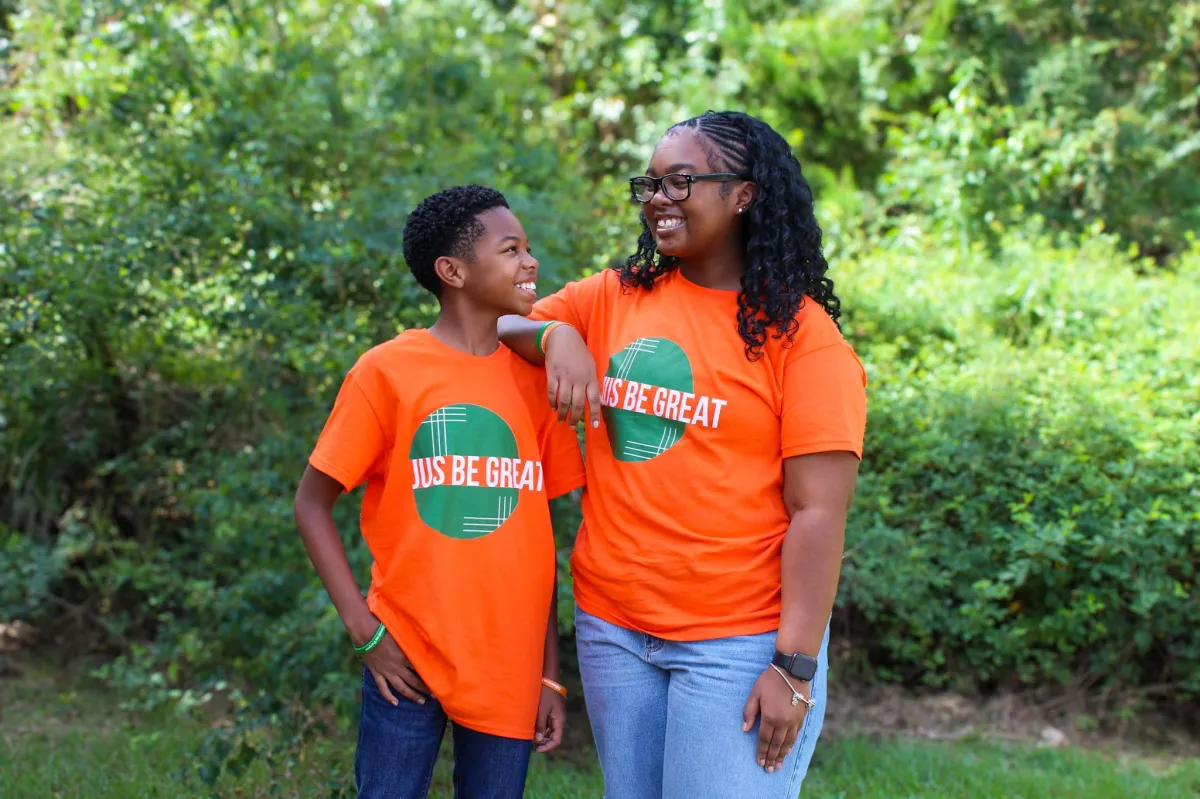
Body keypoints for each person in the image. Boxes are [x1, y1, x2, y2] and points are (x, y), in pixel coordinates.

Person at [498, 110, 867, 798]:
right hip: (613, 626)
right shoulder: (613, 297)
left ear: (743, 194)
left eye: (681, 183)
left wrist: (792, 665)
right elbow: (502, 320)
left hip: (740, 641)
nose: (657, 200)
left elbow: (819, 514)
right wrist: (556, 339)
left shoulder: (804, 339)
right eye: (650, 184)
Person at [293, 185, 585, 799]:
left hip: (508, 663)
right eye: (511, 249)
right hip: (408, 653)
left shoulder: (536, 384)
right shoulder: (387, 372)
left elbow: (542, 542)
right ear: (451, 271)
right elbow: (311, 503)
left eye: (528, 248)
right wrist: (363, 631)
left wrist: (549, 675)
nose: (530, 262)